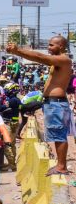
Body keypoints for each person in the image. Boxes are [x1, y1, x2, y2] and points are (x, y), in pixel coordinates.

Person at [7, 35, 74, 176]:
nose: (49, 48)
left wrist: (18, 51)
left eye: (51, 45)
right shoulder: (58, 61)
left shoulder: (64, 59)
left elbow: (40, 57)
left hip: (56, 104)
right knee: (57, 134)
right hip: (53, 103)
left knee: (59, 135)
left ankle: (61, 166)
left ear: (61, 46)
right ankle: (60, 164)